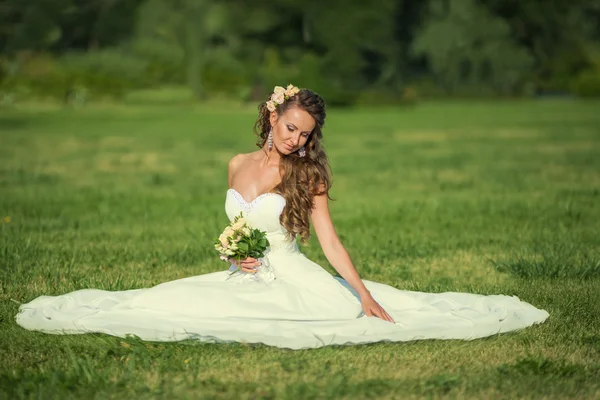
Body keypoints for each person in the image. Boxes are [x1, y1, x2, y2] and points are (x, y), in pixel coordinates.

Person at [15, 85, 549, 350]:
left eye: (306, 134)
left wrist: (363, 296)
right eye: (291, 127)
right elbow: (238, 230)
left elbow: (332, 245)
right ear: (273, 116)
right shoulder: (235, 163)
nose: (297, 139)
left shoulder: (307, 175)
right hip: (241, 274)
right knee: (164, 304)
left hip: (293, 276)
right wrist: (237, 253)